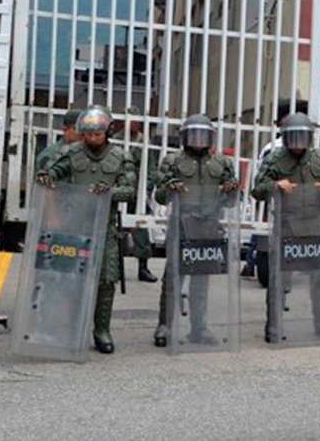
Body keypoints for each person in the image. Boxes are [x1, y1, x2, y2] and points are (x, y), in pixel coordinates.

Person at [38, 105, 136, 353]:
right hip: (76, 226)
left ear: (107, 132)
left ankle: (101, 330)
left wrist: (109, 192)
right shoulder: (72, 154)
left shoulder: (120, 157)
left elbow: (130, 190)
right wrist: (45, 176)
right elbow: (52, 172)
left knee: (106, 281)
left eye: (97, 134)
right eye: (88, 133)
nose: (92, 138)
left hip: (105, 228)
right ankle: (74, 327)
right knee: (75, 280)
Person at [250, 113, 320, 343]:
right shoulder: (275, 158)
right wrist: (275, 185)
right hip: (287, 225)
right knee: (279, 277)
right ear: (286, 137)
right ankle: (274, 325)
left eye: (303, 137)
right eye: (294, 137)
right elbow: (257, 190)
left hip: (316, 225)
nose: (299, 143)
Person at [152, 115, 238, 347]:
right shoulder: (173, 161)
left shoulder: (223, 164)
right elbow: (160, 197)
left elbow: (231, 201)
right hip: (181, 223)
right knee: (173, 275)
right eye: (193, 135)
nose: (198, 140)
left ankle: (199, 328)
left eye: (203, 135)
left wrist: (231, 189)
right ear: (184, 137)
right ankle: (165, 325)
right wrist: (170, 188)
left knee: (202, 278)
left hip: (209, 225)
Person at [112, 105, 157, 283]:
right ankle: (113, 266)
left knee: (141, 229)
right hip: (118, 188)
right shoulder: (115, 140)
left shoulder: (143, 141)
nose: (135, 125)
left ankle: (143, 267)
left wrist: (147, 188)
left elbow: (151, 168)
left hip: (137, 191)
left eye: (138, 122)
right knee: (113, 227)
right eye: (132, 121)